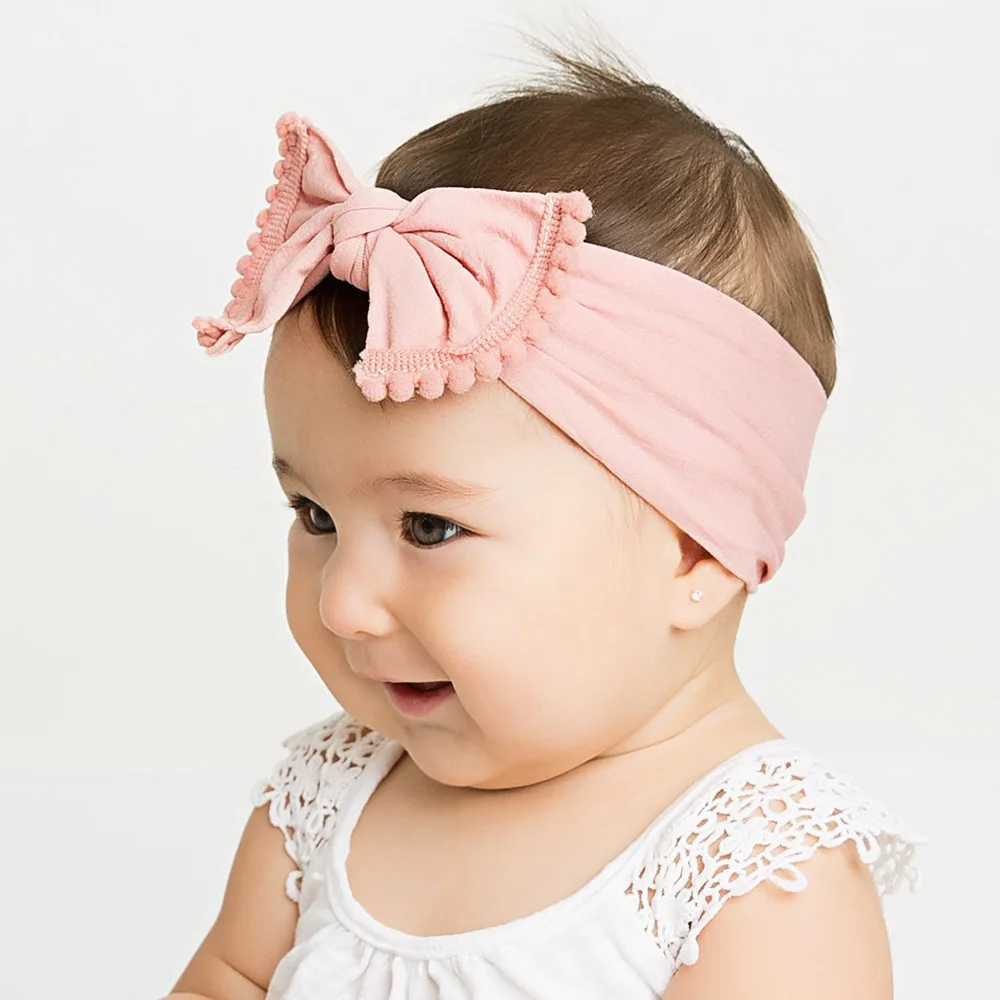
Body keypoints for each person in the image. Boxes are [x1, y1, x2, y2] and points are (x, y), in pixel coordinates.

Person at [169, 37, 924, 1000]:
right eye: (314, 513)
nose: (342, 603)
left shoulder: (755, 877)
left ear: (696, 553)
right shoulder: (329, 800)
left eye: (429, 528)